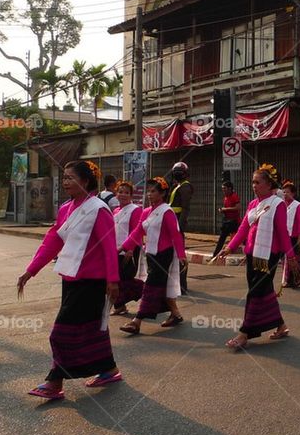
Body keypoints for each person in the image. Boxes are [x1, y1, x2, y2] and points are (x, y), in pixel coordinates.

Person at [16, 160, 122, 400]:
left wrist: (113, 280)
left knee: (61, 333)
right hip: (70, 277)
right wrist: (30, 271)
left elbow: (108, 247)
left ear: (85, 181)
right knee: (92, 327)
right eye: (64, 178)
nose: (65, 182)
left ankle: (55, 382)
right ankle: (109, 369)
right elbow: (53, 241)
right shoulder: (65, 208)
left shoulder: (98, 209)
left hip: (92, 281)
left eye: (70, 178)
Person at [214, 164, 300, 349]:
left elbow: (283, 233)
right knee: (264, 291)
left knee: (254, 293)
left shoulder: (277, 205)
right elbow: (244, 228)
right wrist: (229, 248)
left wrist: (291, 257)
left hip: (269, 255)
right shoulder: (253, 204)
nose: (254, 185)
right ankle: (281, 325)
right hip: (252, 254)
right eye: (252, 182)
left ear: (269, 184)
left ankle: (244, 333)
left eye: (257, 182)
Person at [117, 177, 186, 335]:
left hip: (164, 254)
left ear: (162, 194)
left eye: (153, 191)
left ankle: (137, 321)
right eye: (148, 191)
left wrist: (181, 255)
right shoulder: (146, 212)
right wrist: (123, 247)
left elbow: (176, 235)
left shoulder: (166, 211)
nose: (149, 194)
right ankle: (176, 314)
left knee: (151, 286)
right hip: (151, 254)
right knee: (161, 286)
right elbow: (137, 232)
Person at [111, 180, 143, 315]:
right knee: (117, 279)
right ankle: (120, 306)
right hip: (115, 249)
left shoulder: (135, 210)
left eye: (126, 193)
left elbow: (136, 231)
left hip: (129, 250)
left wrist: (130, 250)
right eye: (120, 192)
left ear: (131, 195)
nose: (123, 195)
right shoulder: (115, 210)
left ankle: (145, 290)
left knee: (124, 279)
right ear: (116, 194)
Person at [168, 162, 193, 293]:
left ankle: (182, 285)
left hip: (177, 222)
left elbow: (185, 208)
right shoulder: (177, 186)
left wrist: (180, 226)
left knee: (180, 255)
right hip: (172, 221)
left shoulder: (186, 187)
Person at [282, 180, 300, 288]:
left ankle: (295, 278)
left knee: (293, 258)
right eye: (283, 192)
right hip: (285, 236)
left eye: (287, 192)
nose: (285, 194)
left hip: (294, 236)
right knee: (285, 258)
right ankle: (292, 277)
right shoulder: (282, 205)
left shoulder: (298, 206)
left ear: (293, 193)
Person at [211, 180, 242, 258]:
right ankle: (215, 255)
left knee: (242, 238)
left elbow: (238, 207)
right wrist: (222, 210)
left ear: (230, 188)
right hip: (227, 221)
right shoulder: (226, 197)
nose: (223, 190)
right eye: (222, 189)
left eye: (224, 188)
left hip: (234, 221)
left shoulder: (234, 196)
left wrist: (226, 209)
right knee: (222, 238)